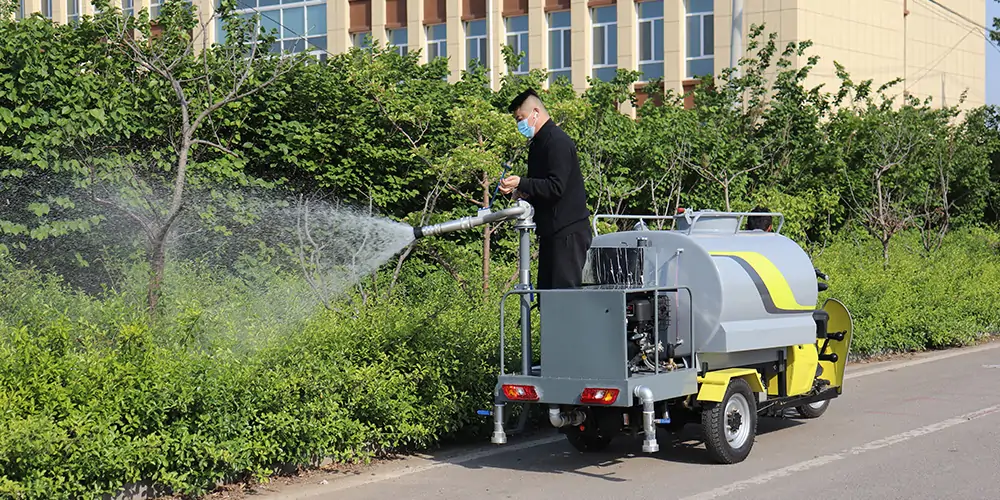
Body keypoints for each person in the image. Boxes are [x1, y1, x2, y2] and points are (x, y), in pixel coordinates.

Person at [499, 88, 592, 291]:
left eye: (520, 118)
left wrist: (521, 183)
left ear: (535, 112)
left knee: (562, 299)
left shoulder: (558, 142)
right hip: (551, 233)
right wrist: (520, 193)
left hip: (568, 233)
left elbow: (555, 187)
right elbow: (542, 188)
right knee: (547, 297)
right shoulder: (538, 145)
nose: (519, 124)